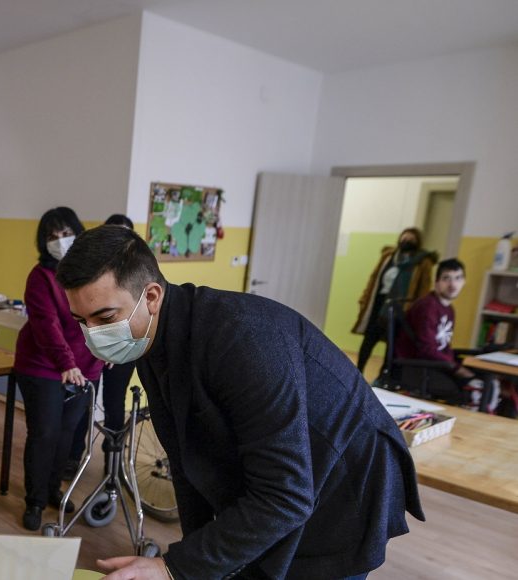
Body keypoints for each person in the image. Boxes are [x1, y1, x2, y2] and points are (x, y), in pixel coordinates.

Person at [57, 225, 423, 580]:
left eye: (105, 317)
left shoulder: (242, 339)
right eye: (81, 321)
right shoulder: (150, 339)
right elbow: (186, 460)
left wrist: (177, 568)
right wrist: (191, 563)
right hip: (287, 481)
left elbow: (286, 496)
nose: (94, 334)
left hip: (344, 487)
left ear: (151, 297)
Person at [14, 206, 103, 531]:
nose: (60, 241)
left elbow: (102, 314)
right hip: (43, 364)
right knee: (45, 433)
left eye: (66, 233)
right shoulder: (41, 277)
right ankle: (35, 501)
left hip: (85, 364)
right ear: (43, 242)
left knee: (67, 434)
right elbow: (46, 325)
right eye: (52, 236)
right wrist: (66, 363)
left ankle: (53, 489)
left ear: (78, 233)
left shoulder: (92, 273)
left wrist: (108, 348)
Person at [67, 213, 137, 476]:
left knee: (114, 406)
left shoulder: (137, 273)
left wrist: (116, 347)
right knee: (85, 404)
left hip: (123, 350)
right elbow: (82, 315)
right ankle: (73, 457)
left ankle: (113, 466)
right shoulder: (90, 271)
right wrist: (101, 347)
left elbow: (139, 316)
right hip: (92, 350)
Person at [395, 258, 497, 411]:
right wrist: (457, 369)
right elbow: (426, 349)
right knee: (475, 389)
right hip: (418, 367)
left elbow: (443, 345)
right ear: (436, 282)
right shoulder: (427, 307)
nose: (452, 284)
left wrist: (458, 365)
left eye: (458, 278)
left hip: (437, 364)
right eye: (446, 278)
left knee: (489, 380)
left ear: (464, 281)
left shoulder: (449, 309)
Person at [354, 227, 437, 372]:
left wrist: (417, 312)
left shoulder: (423, 262)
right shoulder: (388, 257)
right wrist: (364, 298)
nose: (407, 241)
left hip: (401, 309)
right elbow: (374, 278)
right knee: (368, 340)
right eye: (404, 238)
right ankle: (357, 371)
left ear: (417, 242)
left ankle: (383, 377)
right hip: (379, 304)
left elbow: (424, 289)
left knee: (392, 346)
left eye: (411, 239)